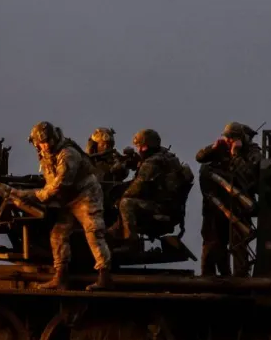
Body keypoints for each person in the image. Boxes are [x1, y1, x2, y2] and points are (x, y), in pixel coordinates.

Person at [16, 122, 114, 291]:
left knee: (93, 231)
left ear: (54, 138)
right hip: (67, 199)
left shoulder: (68, 154)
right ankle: (60, 277)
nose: (45, 145)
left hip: (85, 195)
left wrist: (31, 194)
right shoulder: (47, 153)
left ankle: (105, 277)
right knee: (58, 234)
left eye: (47, 141)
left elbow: (60, 184)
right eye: (41, 143)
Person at [195, 122, 261, 276]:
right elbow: (200, 157)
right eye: (228, 138)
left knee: (238, 245)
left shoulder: (252, 152)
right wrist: (213, 148)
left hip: (238, 206)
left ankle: (240, 280)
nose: (229, 141)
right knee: (213, 243)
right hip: (216, 205)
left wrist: (236, 154)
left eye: (232, 138)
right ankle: (212, 279)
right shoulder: (221, 148)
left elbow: (249, 176)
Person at [114, 129, 193, 249]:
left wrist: (118, 196)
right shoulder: (167, 157)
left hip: (161, 209)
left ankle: (131, 241)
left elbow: (136, 189)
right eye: (138, 147)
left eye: (143, 147)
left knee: (125, 202)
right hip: (171, 208)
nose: (140, 150)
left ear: (150, 146)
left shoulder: (152, 163)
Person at [86, 126, 131, 220]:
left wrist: (121, 167)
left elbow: (123, 174)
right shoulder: (86, 161)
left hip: (110, 200)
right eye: (103, 144)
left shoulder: (115, 158)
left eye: (109, 145)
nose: (106, 147)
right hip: (90, 201)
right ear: (95, 145)